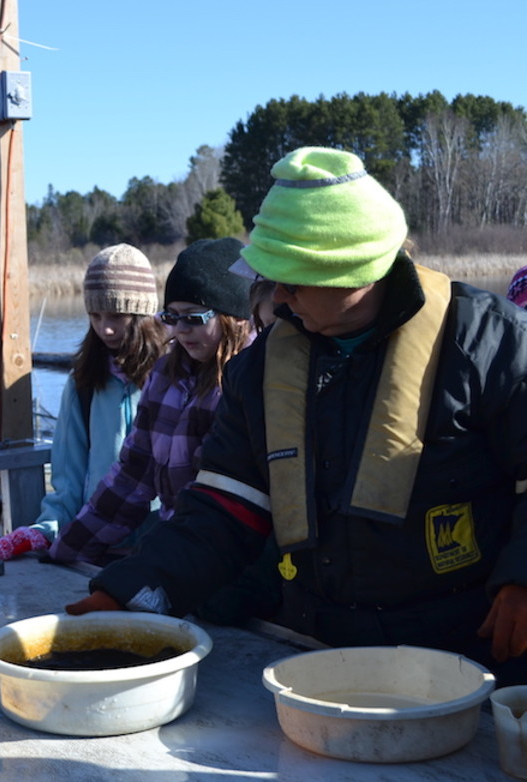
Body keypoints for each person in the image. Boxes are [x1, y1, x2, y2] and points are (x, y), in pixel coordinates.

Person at [67, 146, 527, 683]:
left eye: (294, 282)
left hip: (469, 650)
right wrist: (127, 590)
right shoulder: (263, 369)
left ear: (355, 272)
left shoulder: (490, 342)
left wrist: (520, 580)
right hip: (317, 647)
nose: (279, 300)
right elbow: (221, 509)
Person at [48, 237, 254, 567]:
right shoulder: (165, 377)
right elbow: (131, 476)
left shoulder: (253, 381)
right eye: (172, 318)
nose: (181, 331)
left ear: (235, 316)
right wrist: (62, 551)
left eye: (194, 318)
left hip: (229, 561)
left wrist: (152, 564)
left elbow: (220, 501)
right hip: (168, 555)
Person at [0, 244, 166, 561]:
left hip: (161, 548)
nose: (105, 329)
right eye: (95, 316)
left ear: (143, 314)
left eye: (116, 315)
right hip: (98, 546)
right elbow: (69, 480)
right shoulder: (82, 382)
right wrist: (43, 531)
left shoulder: (175, 377)